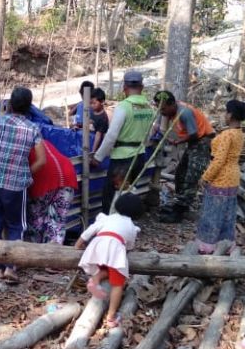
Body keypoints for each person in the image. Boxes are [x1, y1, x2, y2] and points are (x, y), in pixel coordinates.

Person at [0, 86, 46, 281]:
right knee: (16, 225)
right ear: (29, 107)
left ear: (10, 104)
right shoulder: (33, 128)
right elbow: (42, 160)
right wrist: (25, 171)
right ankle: (11, 267)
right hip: (16, 185)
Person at [75, 193, 144, 329]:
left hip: (97, 245)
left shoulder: (106, 218)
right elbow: (129, 246)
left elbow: (90, 230)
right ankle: (111, 317)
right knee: (117, 284)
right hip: (115, 249)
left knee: (104, 268)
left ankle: (95, 279)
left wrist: (78, 244)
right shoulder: (131, 226)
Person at [91, 71, 155, 215]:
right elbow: (149, 134)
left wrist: (98, 157)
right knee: (128, 193)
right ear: (142, 87)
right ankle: (125, 225)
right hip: (139, 156)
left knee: (111, 195)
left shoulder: (124, 107)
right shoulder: (148, 108)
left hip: (122, 159)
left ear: (124, 87)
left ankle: (109, 227)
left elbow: (111, 135)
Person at [153, 90, 216, 223]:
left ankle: (180, 210)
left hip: (202, 141)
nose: (161, 112)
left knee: (191, 176)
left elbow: (193, 134)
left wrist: (177, 141)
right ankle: (180, 204)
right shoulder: (168, 111)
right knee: (180, 174)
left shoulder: (184, 112)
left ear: (171, 104)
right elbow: (159, 125)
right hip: (193, 142)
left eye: (163, 109)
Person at [196, 100, 245, 253]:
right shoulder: (239, 133)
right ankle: (225, 243)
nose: (224, 115)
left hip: (221, 177)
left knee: (213, 212)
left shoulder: (227, 135)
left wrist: (205, 177)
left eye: (225, 112)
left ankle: (207, 246)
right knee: (227, 213)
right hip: (233, 176)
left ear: (230, 115)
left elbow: (219, 160)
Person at [27, 140, 78, 244]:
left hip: (45, 177)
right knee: (58, 221)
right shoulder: (42, 141)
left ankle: (35, 253)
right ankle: (54, 253)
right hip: (67, 175)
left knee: (37, 220)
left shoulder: (22, 143)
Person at [88, 87, 110, 154]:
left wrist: (93, 151)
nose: (92, 105)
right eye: (90, 103)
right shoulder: (92, 111)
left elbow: (98, 135)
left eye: (94, 103)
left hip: (97, 145)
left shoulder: (103, 118)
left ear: (102, 102)